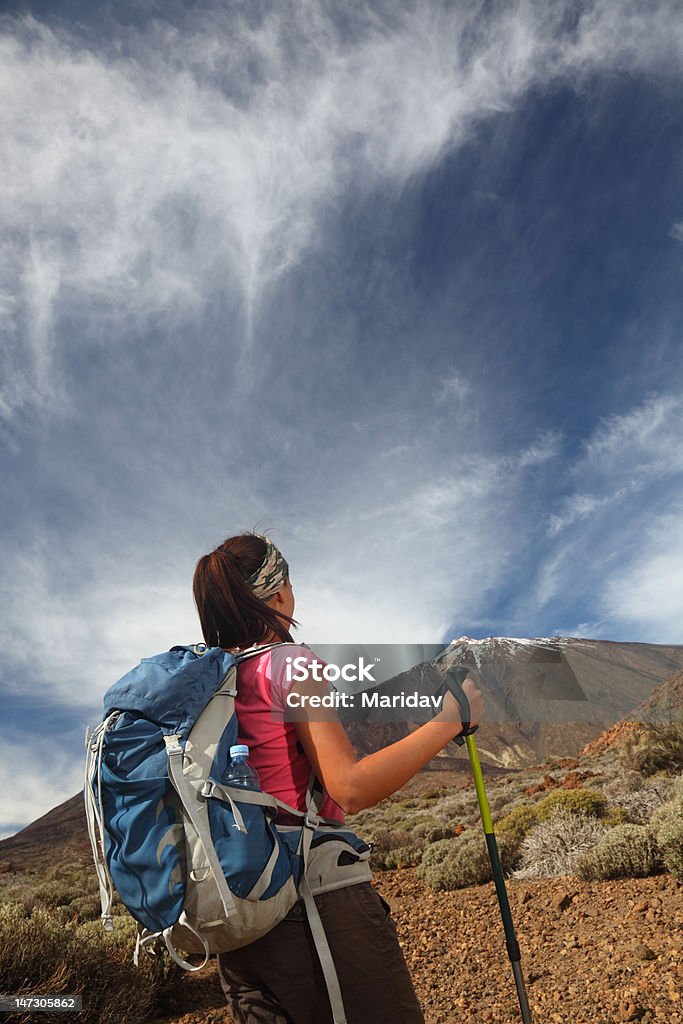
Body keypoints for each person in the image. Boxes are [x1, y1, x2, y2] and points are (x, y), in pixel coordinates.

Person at [192, 531, 485, 1024]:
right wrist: (449, 721)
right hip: (313, 906)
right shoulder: (289, 665)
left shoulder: (208, 687)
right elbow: (348, 786)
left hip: (237, 913)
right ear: (279, 591)